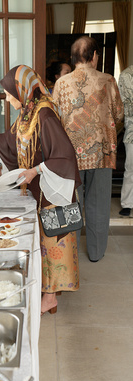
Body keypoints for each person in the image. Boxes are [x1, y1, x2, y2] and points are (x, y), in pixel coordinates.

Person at [0, 65, 81, 315]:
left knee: (54, 238)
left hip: (52, 187)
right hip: (39, 187)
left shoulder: (45, 114)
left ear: (24, 90)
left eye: (11, 94)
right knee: (45, 240)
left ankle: (50, 297)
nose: (9, 100)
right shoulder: (28, 112)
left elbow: (65, 155)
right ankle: (47, 290)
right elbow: (11, 141)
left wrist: (35, 171)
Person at [53, 36, 124, 262]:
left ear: (73, 58)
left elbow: (54, 119)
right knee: (99, 206)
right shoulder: (108, 80)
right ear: (94, 56)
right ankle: (95, 253)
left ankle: (69, 255)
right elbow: (120, 114)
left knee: (71, 205)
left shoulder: (61, 84)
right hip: (102, 155)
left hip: (70, 157)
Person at [118, 65, 133, 216]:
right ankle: (127, 203)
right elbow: (124, 107)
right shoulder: (126, 75)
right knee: (131, 168)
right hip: (132, 131)